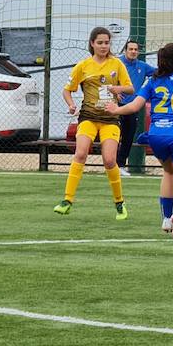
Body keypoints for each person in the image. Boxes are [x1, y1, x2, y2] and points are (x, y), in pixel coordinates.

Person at [106, 42, 173, 239]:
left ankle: (166, 218)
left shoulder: (153, 81)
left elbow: (135, 106)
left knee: (168, 172)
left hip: (157, 135)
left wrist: (116, 110)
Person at [54, 26, 133, 219]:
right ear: (92, 44)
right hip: (88, 117)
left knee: (109, 160)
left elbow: (130, 89)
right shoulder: (83, 66)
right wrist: (72, 104)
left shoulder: (117, 64)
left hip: (110, 120)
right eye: (100, 43)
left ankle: (119, 202)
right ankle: (67, 200)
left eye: (107, 43)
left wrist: (116, 89)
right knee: (80, 153)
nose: (104, 46)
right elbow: (67, 90)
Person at [115, 40, 155, 177]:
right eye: (130, 49)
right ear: (125, 51)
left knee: (128, 136)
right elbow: (106, 79)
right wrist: (115, 92)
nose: (133, 51)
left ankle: (120, 165)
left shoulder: (142, 66)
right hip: (115, 106)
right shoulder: (117, 63)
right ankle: (110, 164)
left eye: (135, 49)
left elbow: (158, 73)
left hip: (132, 107)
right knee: (113, 135)